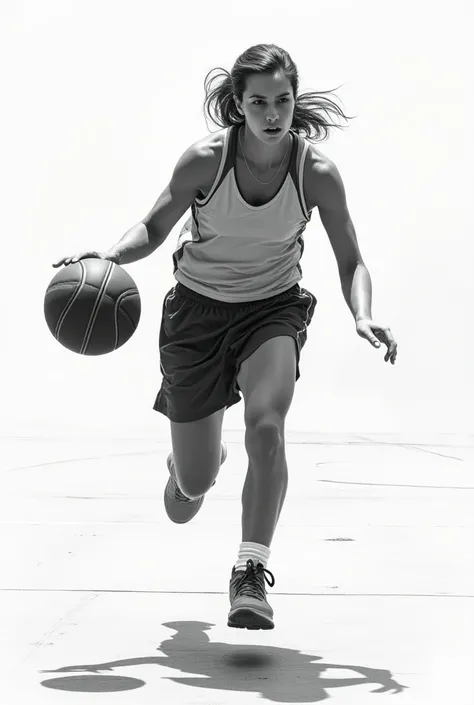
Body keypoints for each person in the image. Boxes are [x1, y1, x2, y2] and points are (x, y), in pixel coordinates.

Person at [53, 43, 398, 631]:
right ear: (237, 105)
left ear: (295, 102)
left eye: (283, 100)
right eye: (258, 101)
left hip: (273, 310)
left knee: (267, 423)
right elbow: (154, 225)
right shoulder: (206, 160)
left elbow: (351, 260)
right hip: (196, 315)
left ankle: (249, 572)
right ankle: (195, 463)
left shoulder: (314, 173)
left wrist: (362, 315)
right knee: (190, 488)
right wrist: (110, 254)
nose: (272, 112)